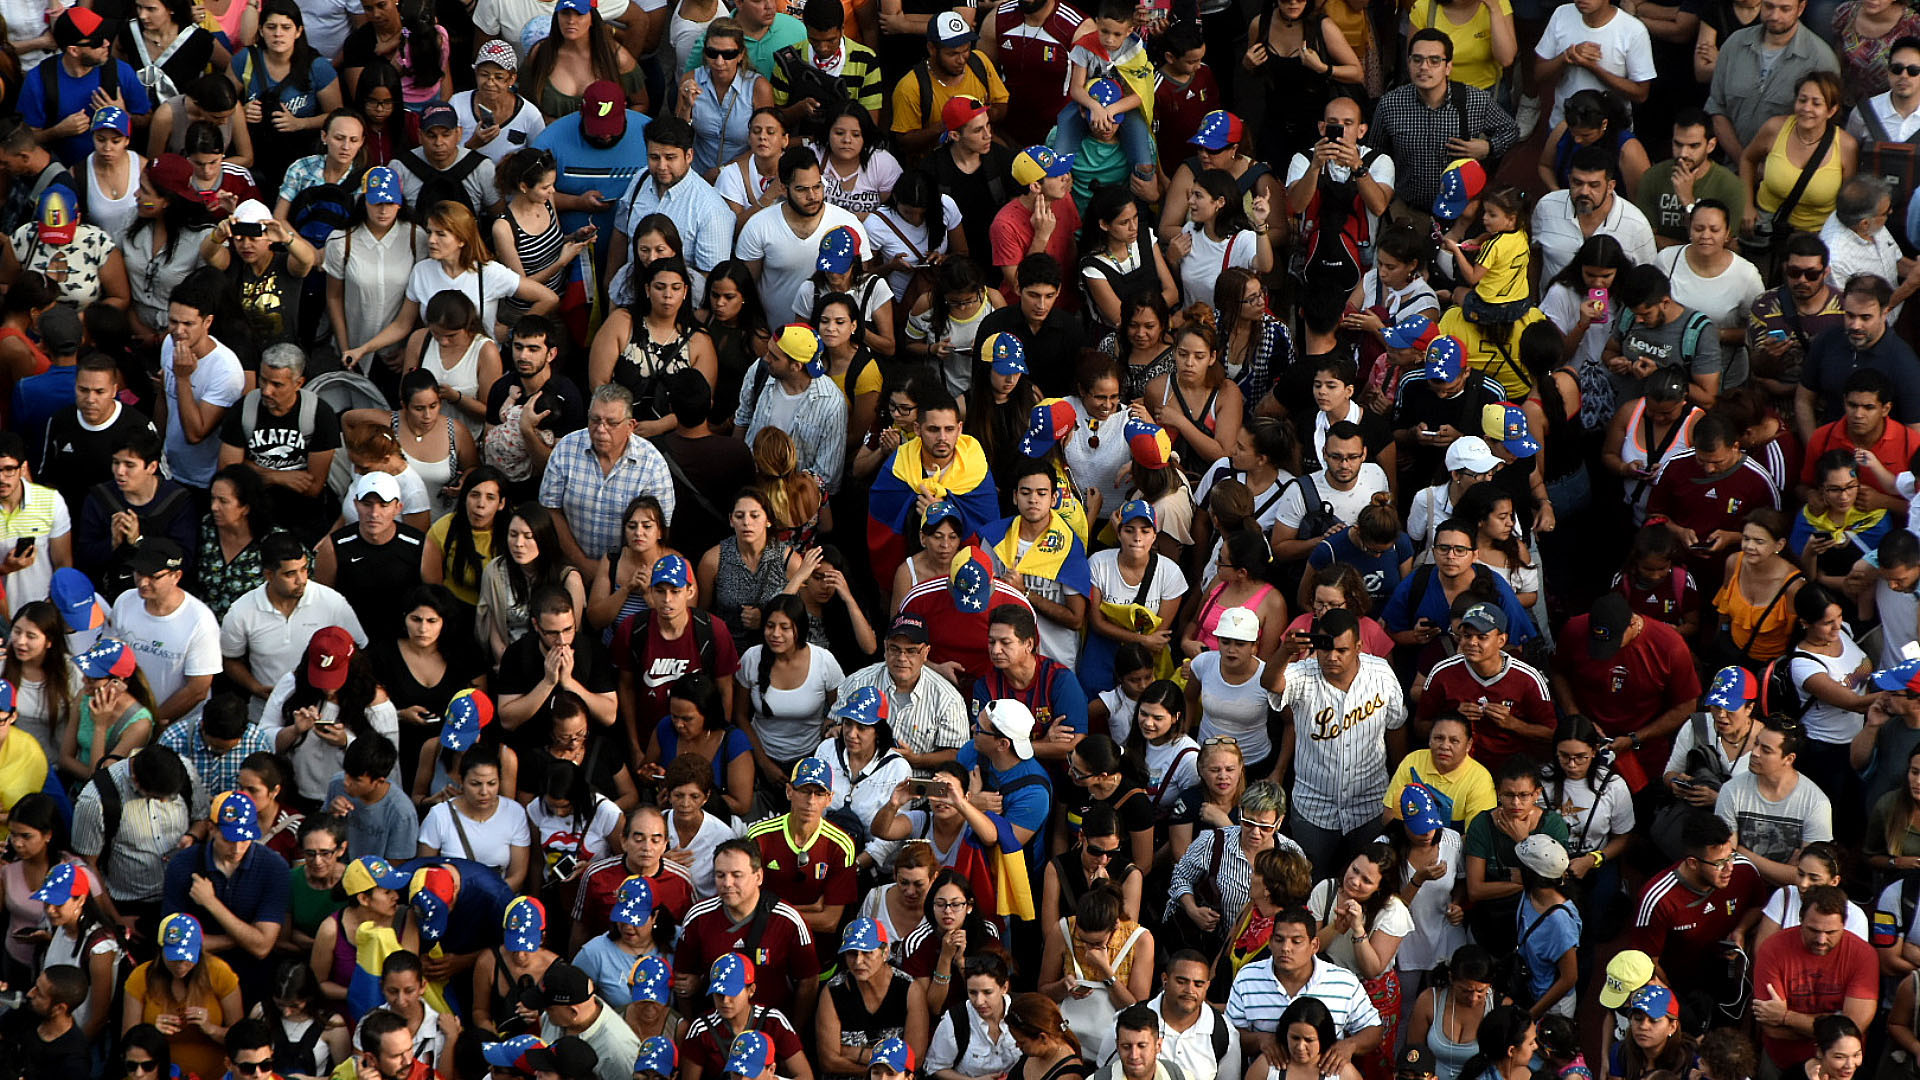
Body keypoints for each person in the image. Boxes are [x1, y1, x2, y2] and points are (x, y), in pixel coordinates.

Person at [676, 840, 822, 1017]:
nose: (727, 883)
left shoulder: (788, 921)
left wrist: (794, 1031)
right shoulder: (698, 917)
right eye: (720, 875)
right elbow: (683, 980)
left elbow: (808, 981)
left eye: (737, 875)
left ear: (758, 877)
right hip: (715, 1029)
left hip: (771, 1028)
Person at [1748, 885, 1875, 1072]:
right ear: (1800, 920)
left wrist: (1786, 1017)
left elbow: (1852, 1029)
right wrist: (1835, 1023)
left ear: (1844, 924)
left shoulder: (1863, 955)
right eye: (1813, 930)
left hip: (1841, 1069)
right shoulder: (1773, 950)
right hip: (1782, 1063)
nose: (1821, 940)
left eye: (1831, 932)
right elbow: (1771, 1028)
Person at [1704, 0, 1839, 160]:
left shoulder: (1820, 60)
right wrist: (1745, 163)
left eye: (1785, 9)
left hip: (1785, 173)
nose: (1775, 15)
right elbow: (1717, 108)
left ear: (1801, 8)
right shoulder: (1735, 44)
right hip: (1732, 166)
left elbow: (1823, 127)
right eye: (1769, 6)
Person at [1740, 71, 1857, 243]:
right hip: (1765, 227)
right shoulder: (1775, 128)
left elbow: (1847, 200)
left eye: (1816, 104)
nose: (1806, 108)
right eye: (1802, 100)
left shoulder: (1847, 146)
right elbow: (1747, 160)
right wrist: (1746, 205)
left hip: (1816, 237)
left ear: (1831, 110)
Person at [1533, 146, 1660, 282]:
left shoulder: (1636, 225)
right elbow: (1534, 256)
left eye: (1594, 185)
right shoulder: (1546, 207)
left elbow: (1647, 280)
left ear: (1610, 186)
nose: (1584, 192)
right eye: (1577, 183)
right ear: (1569, 179)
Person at [1637, 110, 1750, 245]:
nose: (1684, 153)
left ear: (1711, 145)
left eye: (1693, 146)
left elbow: (1725, 246)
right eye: (1678, 144)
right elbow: (1645, 239)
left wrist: (1688, 202)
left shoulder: (1730, 185)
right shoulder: (1653, 176)